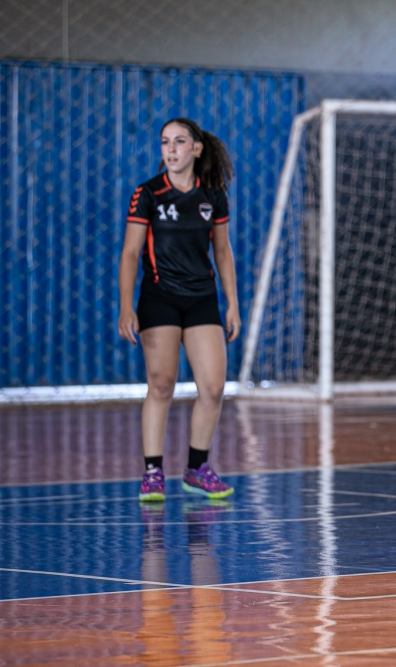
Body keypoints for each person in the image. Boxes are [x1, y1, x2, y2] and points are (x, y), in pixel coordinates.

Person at [118, 118, 241, 503]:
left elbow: (222, 251)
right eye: (165, 142)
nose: (171, 149)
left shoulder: (213, 197)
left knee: (214, 387)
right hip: (160, 297)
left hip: (201, 298)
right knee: (161, 384)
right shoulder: (148, 194)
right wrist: (125, 307)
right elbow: (130, 253)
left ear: (196, 149)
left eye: (179, 141)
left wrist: (233, 304)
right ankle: (153, 472)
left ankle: (197, 469)